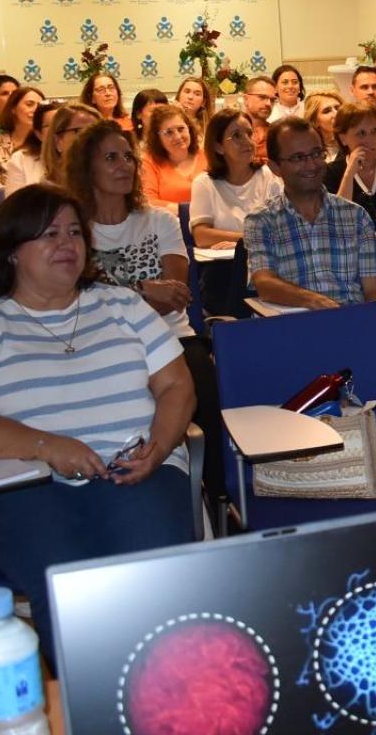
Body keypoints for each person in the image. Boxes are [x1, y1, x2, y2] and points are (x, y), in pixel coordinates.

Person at [0, 184, 195, 663]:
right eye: (49, 234)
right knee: (69, 578)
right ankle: (94, 690)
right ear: (11, 249)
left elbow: (177, 386)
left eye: (74, 232)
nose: (67, 243)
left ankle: (157, 685)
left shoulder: (122, 306)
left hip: (134, 470)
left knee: (149, 571)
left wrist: (159, 445)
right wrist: (47, 446)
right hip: (21, 483)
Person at [66, 120, 224, 501]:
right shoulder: (74, 232)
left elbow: (174, 296)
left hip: (173, 338)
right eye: (110, 158)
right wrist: (142, 288)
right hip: (104, 344)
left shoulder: (159, 221)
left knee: (204, 381)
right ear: (87, 168)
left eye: (128, 157)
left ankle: (220, 498)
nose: (124, 166)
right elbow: (79, 301)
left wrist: (115, 293)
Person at [244, 118, 376, 309]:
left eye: (316, 154)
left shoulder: (355, 216)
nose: (311, 165)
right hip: (293, 321)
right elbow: (264, 283)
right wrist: (316, 302)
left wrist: (370, 319)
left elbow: (374, 289)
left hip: (350, 318)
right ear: (275, 167)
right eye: (298, 158)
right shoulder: (262, 220)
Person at [189, 109, 283, 249]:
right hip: (223, 260)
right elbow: (201, 236)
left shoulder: (269, 176)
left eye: (249, 134)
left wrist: (241, 242)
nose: (248, 142)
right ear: (218, 147)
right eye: (237, 136)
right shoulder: (204, 183)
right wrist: (246, 239)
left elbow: (282, 230)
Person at [325, 100, 376, 237]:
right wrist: (349, 174)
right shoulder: (331, 172)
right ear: (343, 138)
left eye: (374, 131)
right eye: (361, 133)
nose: (371, 139)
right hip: (355, 245)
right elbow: (338, 219)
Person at [0, 85, 43, 202]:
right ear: (13, 109)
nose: (36, 110)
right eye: (29, 104)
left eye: (40, 106)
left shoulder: (47, 143)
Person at [139, 104, 201, 209]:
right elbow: (149, 201)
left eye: (181, 129)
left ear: (189, 129)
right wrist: (185, 210)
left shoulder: (207, 155)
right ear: (157, 138)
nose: (177, 137)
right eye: (169, 132)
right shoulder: (149, 161)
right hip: (169, 218)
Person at [36, 104, 101, 188]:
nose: (91, 139)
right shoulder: (42, 194)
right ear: (58, 141)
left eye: (98, 132)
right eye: (81, 131)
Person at [3, 100, 56, 194]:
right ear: (39, 134)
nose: (59, 131)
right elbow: (15, 201)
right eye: (52, 126)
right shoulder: (20, 160)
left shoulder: (80, 158)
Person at [240, 75, 276, 166]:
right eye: (262, 97)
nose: (268, 103)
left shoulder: (277, 134)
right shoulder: (230, 132)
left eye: (272, 100)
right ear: (246, 99)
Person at [301, 91, 344, 163]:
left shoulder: (355, 144)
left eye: (338, 108)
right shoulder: (308, 153)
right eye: (327, 111)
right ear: (314, 121)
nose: (336, 113)